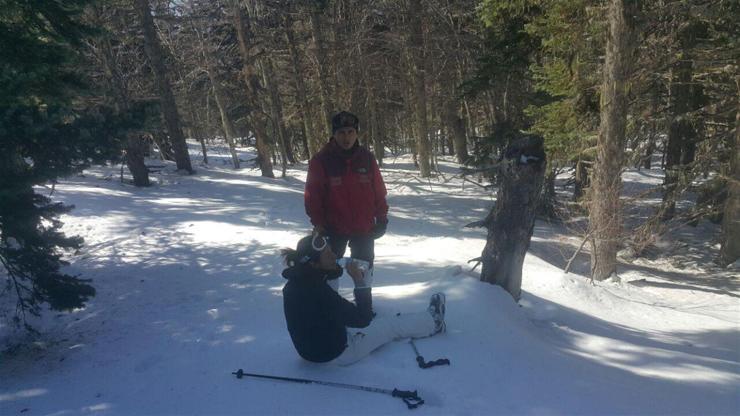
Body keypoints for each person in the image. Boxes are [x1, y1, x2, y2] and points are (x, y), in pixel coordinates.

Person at [281, 234, 446, 365]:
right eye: (327, 254)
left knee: (366, 318)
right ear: (314, 264)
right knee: (389, 325)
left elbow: (325, 306)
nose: (334, 255)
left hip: (310, 352)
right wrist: (359, 282)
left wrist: (336, 266)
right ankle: (434, 322)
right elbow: (363, 319)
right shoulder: (319, 292)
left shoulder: (296, 282)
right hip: (338, 353)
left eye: (331, 250)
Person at [304, 111, 388, 278]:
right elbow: (313, 197)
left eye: (350, 132)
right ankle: (329, 303)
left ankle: (364, 304)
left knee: (363, 272)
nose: (346, 137)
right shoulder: (321, 161)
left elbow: (378, 191)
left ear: (357, 133)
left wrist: (382, 218)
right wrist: (319, 224)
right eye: (341, 133)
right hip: (333, 229)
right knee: (329, 273)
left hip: (363, 228)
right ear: (334, 134)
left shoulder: (367, 158)